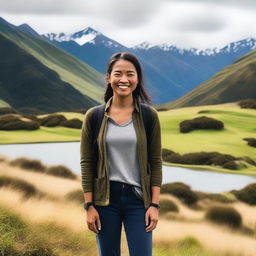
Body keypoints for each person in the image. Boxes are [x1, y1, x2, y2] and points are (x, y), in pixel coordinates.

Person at [80, 52, 162, 256]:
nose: (124, 80)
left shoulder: (149, 116)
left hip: (138, 200)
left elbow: (156, 162)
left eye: (130, 74)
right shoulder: (95, 116)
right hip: (104, 200)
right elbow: (87, 163)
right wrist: (89, 205)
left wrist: (154, 204)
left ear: (137, 79)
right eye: (118, 74)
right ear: (108, 78)